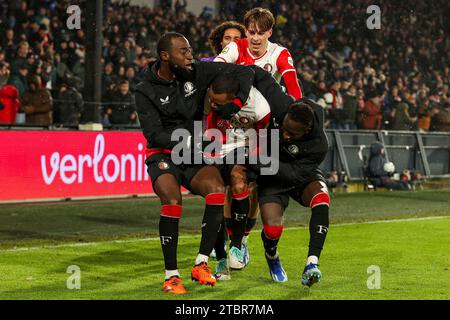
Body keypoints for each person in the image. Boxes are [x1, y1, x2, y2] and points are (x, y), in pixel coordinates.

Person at [134, 32, 255, 294]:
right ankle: (171, 277)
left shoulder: (198, 71)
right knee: (172, 201)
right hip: (163, 154)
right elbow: (154, 135)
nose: (191, 55)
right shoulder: (145, 88)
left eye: (190, 50)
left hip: (192, 154)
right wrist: (191, 140)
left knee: (215, 190)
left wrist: (234, 104)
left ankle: (202, 263)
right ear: (165, 56)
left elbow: (245, 72)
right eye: (184, 51)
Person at [213, 7, 303, 266]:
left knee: (250, 187)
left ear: (270, 33)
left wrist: (299, 108)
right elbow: (216, 68)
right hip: (232, 125)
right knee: (230, 185)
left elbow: (292, 83)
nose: (254, 37)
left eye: (261, 33)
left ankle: (242, 240)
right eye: (251, 32)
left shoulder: (279, 54)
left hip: (262, 129)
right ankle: (233, 239)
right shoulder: (235, 48)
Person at [240, 66, 331, 287]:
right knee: (272, 230)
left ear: (306, 131)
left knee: (322, 200)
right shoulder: (283, 105)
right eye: (284, 129)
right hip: (272, 178)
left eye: (292, 134)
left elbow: (293, 175)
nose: (285, 134)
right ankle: (271, 255)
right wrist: (234, 73)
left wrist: (257, 162)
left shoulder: (319, 145)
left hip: (298, 174)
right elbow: (259, 75)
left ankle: (312, 263)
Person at [205, 72, 272, 277]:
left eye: (219, 103)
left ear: (235, 98)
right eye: (212, 101)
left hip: (249, 144)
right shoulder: (214, 100)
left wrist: (251, 164)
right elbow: (212, 131)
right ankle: (222, 257)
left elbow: (261, 140)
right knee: (216, 192)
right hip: (222, 144)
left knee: (241, 183)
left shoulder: (260, 108)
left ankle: (237, 244)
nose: (214, 105)